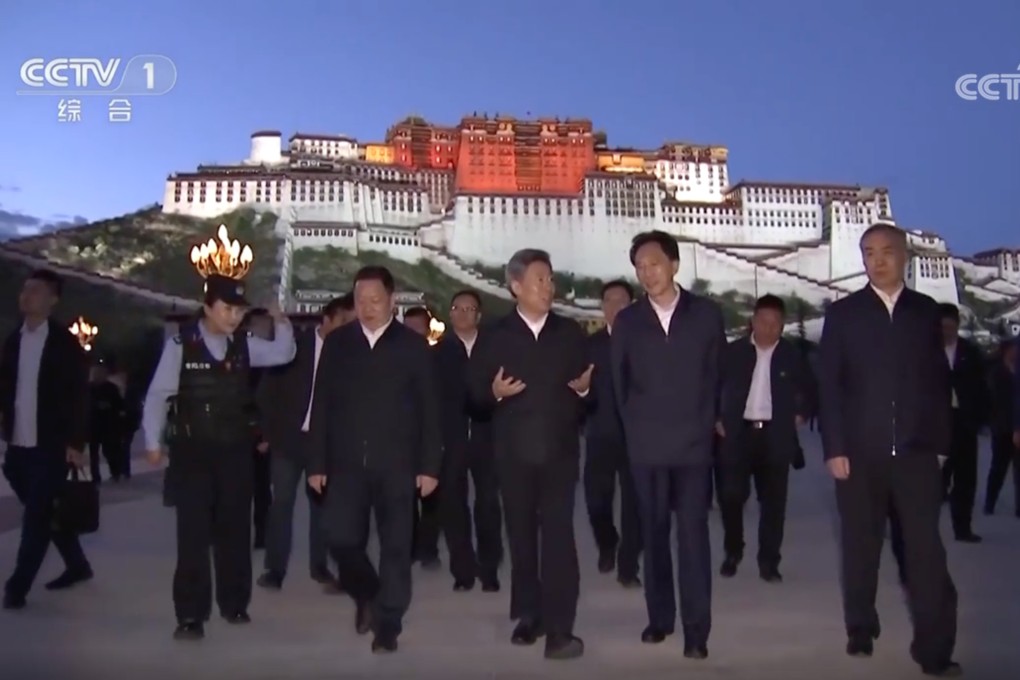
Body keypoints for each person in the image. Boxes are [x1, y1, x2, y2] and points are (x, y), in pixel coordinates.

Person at [817, 222, 959, 676]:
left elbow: (939, 383)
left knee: (926, 554)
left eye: (886, 252)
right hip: (859, 454)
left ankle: (934, 649)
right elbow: (831, 386)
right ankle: (861, 625)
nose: (877, 260)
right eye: (868, 253)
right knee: (861, 547)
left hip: (917, 454)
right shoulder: (845, 314)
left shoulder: (925, 313)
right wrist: (835, 447)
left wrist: (939, 445)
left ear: (905, 257)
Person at [142, 274, 296, 641]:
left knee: (234, 531)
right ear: (208, 305)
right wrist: (153, 441)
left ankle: (234, 603)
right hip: (192, 454)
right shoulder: (181, 345)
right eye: (227, 308)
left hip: (235, 453)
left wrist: (282, 321)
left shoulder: (245, 345)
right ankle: (191, 615)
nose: (234, 316)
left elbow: (283, 353)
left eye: (239, 309)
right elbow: (157, 396)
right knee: (193, 536)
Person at [307, 266, 442, 654]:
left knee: (397, 547)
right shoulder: (338, 344)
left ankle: (388, 623)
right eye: (360, 301)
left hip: (398, 464)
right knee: (340, 538)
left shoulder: (412, 346)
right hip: (345, 464)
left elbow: (431, 411)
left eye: (375, 300)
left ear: (392, 300)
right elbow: (322, 405)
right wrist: (317, 462)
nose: (366, 308)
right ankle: (368, 593)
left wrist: (430, 467)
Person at [469, 248, 592, 661]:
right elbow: (472, 397)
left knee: (558, 541)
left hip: (559, 455)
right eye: (540, 280)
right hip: (513, 457)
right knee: (521, 539)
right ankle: (530, 614)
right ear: (516, 286)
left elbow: (588, 395)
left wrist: (585, 390)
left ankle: (560, 631)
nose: (548, 287)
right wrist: (492, 393)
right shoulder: (495, 336)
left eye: (551, 279)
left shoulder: (571, 334)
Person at [609, 230, 724, 658]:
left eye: (653, 263)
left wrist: (709, 422)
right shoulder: (629, 321)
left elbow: (717, 375)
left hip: (694, 448)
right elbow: (619, 385)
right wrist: (634, 430)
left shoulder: (706, 315)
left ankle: (697, 631)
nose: (646, 272)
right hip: (647, 449)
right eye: (639, 266)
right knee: (654, 537)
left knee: (693, 539)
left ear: (674, 264)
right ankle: (660, 619)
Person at [1, 269, 92, 610]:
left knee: (36, 518)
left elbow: (78, 396)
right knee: (44, 512)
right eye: (25, 289)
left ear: (52, 299)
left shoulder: (65, 344)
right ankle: (78, 564)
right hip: (18, 446)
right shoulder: (14, 340)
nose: (26, 296)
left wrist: (76, 442)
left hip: (50, 445)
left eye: (35, 291)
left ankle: (16, 587)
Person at [256, 294, 354, 592]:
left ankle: (320, 566)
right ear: (327, 319)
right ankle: (275, 569)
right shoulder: (293, 347)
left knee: (323, 508)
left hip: (324, 443)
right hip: (288, 439)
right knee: (281, 504)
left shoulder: (349, 355)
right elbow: (267, 392)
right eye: (344, 322)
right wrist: (266, 433)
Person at [716, 294, 814, 583]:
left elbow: (812, 389)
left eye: (775, 323)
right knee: (731, 497)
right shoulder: (732, 353)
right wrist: (715, 419)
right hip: (737, 434)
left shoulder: (793, 356)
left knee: (773, 503)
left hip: (775, 435)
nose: (769, 328)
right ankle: (733, 550)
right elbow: (710, 385)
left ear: (782, 327)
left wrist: (801, 413)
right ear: (752, 322)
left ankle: (769, 560)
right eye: (763, 321)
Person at [434, 290, 503, 592]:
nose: (463, 313)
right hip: (451, 440)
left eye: (469, 309)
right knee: (453, 506)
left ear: (479, 315)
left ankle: (489, 569)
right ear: (450, 314)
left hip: (489, 438)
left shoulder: (495, 351)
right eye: (457, 308)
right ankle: (462, 570)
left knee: (488, 505)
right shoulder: (437, 354)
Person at [583, 280, 641, 587]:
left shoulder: (646, 344)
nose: (615, 307)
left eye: (621, 301)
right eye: (609, 301)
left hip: (638, 437)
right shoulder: (589, 346)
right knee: (596, 500)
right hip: (600, 433)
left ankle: (629, 567)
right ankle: (608, 543)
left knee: (636, 505)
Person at [938, 303, 989, 542]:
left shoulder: (971, 352)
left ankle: (963, 528)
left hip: (964, 421)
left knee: (966, 479)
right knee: (933, 478)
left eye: (950, 326)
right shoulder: (925, 351)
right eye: (943, 327)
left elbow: (983, 388)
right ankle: (921, 527)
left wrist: (980, 419)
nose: (947, 331)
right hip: (936, 422)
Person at [403, 305, 442, 570]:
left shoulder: (438, 357)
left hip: (430, 436)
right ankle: (408, 548)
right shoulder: (395, 356)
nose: (412, 333)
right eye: (407, 328)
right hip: (402, 438)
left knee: (431, 498)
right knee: (403, 499)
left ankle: (428, 550)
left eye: (417, 328)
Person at [245, 308, 276, 549]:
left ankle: (263, 533)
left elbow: (277, 400)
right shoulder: (240, 356)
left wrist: (268, 434)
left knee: (261, 489)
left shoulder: (274, 361)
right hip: (237, 431)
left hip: (262, 433)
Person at [985, 339, 1018, 516]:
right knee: (999, 466)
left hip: (1017, 424)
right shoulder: (997, 372)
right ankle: (990, 502)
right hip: (1002, 425)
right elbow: (995, 399)